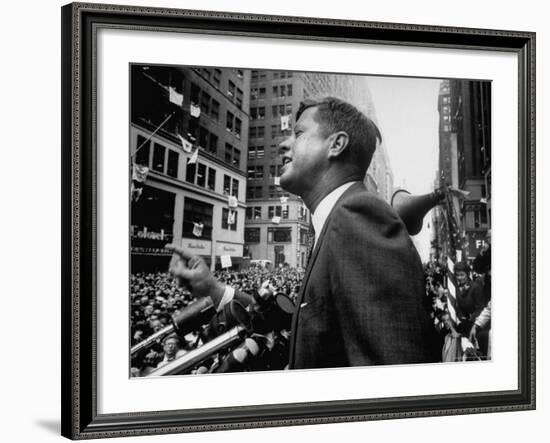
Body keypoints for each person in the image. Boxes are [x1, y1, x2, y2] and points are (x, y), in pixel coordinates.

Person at [168, 96, 438, 369]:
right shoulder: (338, 222)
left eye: (298, 133)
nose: (283, 144)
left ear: (336, 144)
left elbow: (391, 371)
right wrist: (215, 289)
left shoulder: (358, 216)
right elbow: (304, 323)